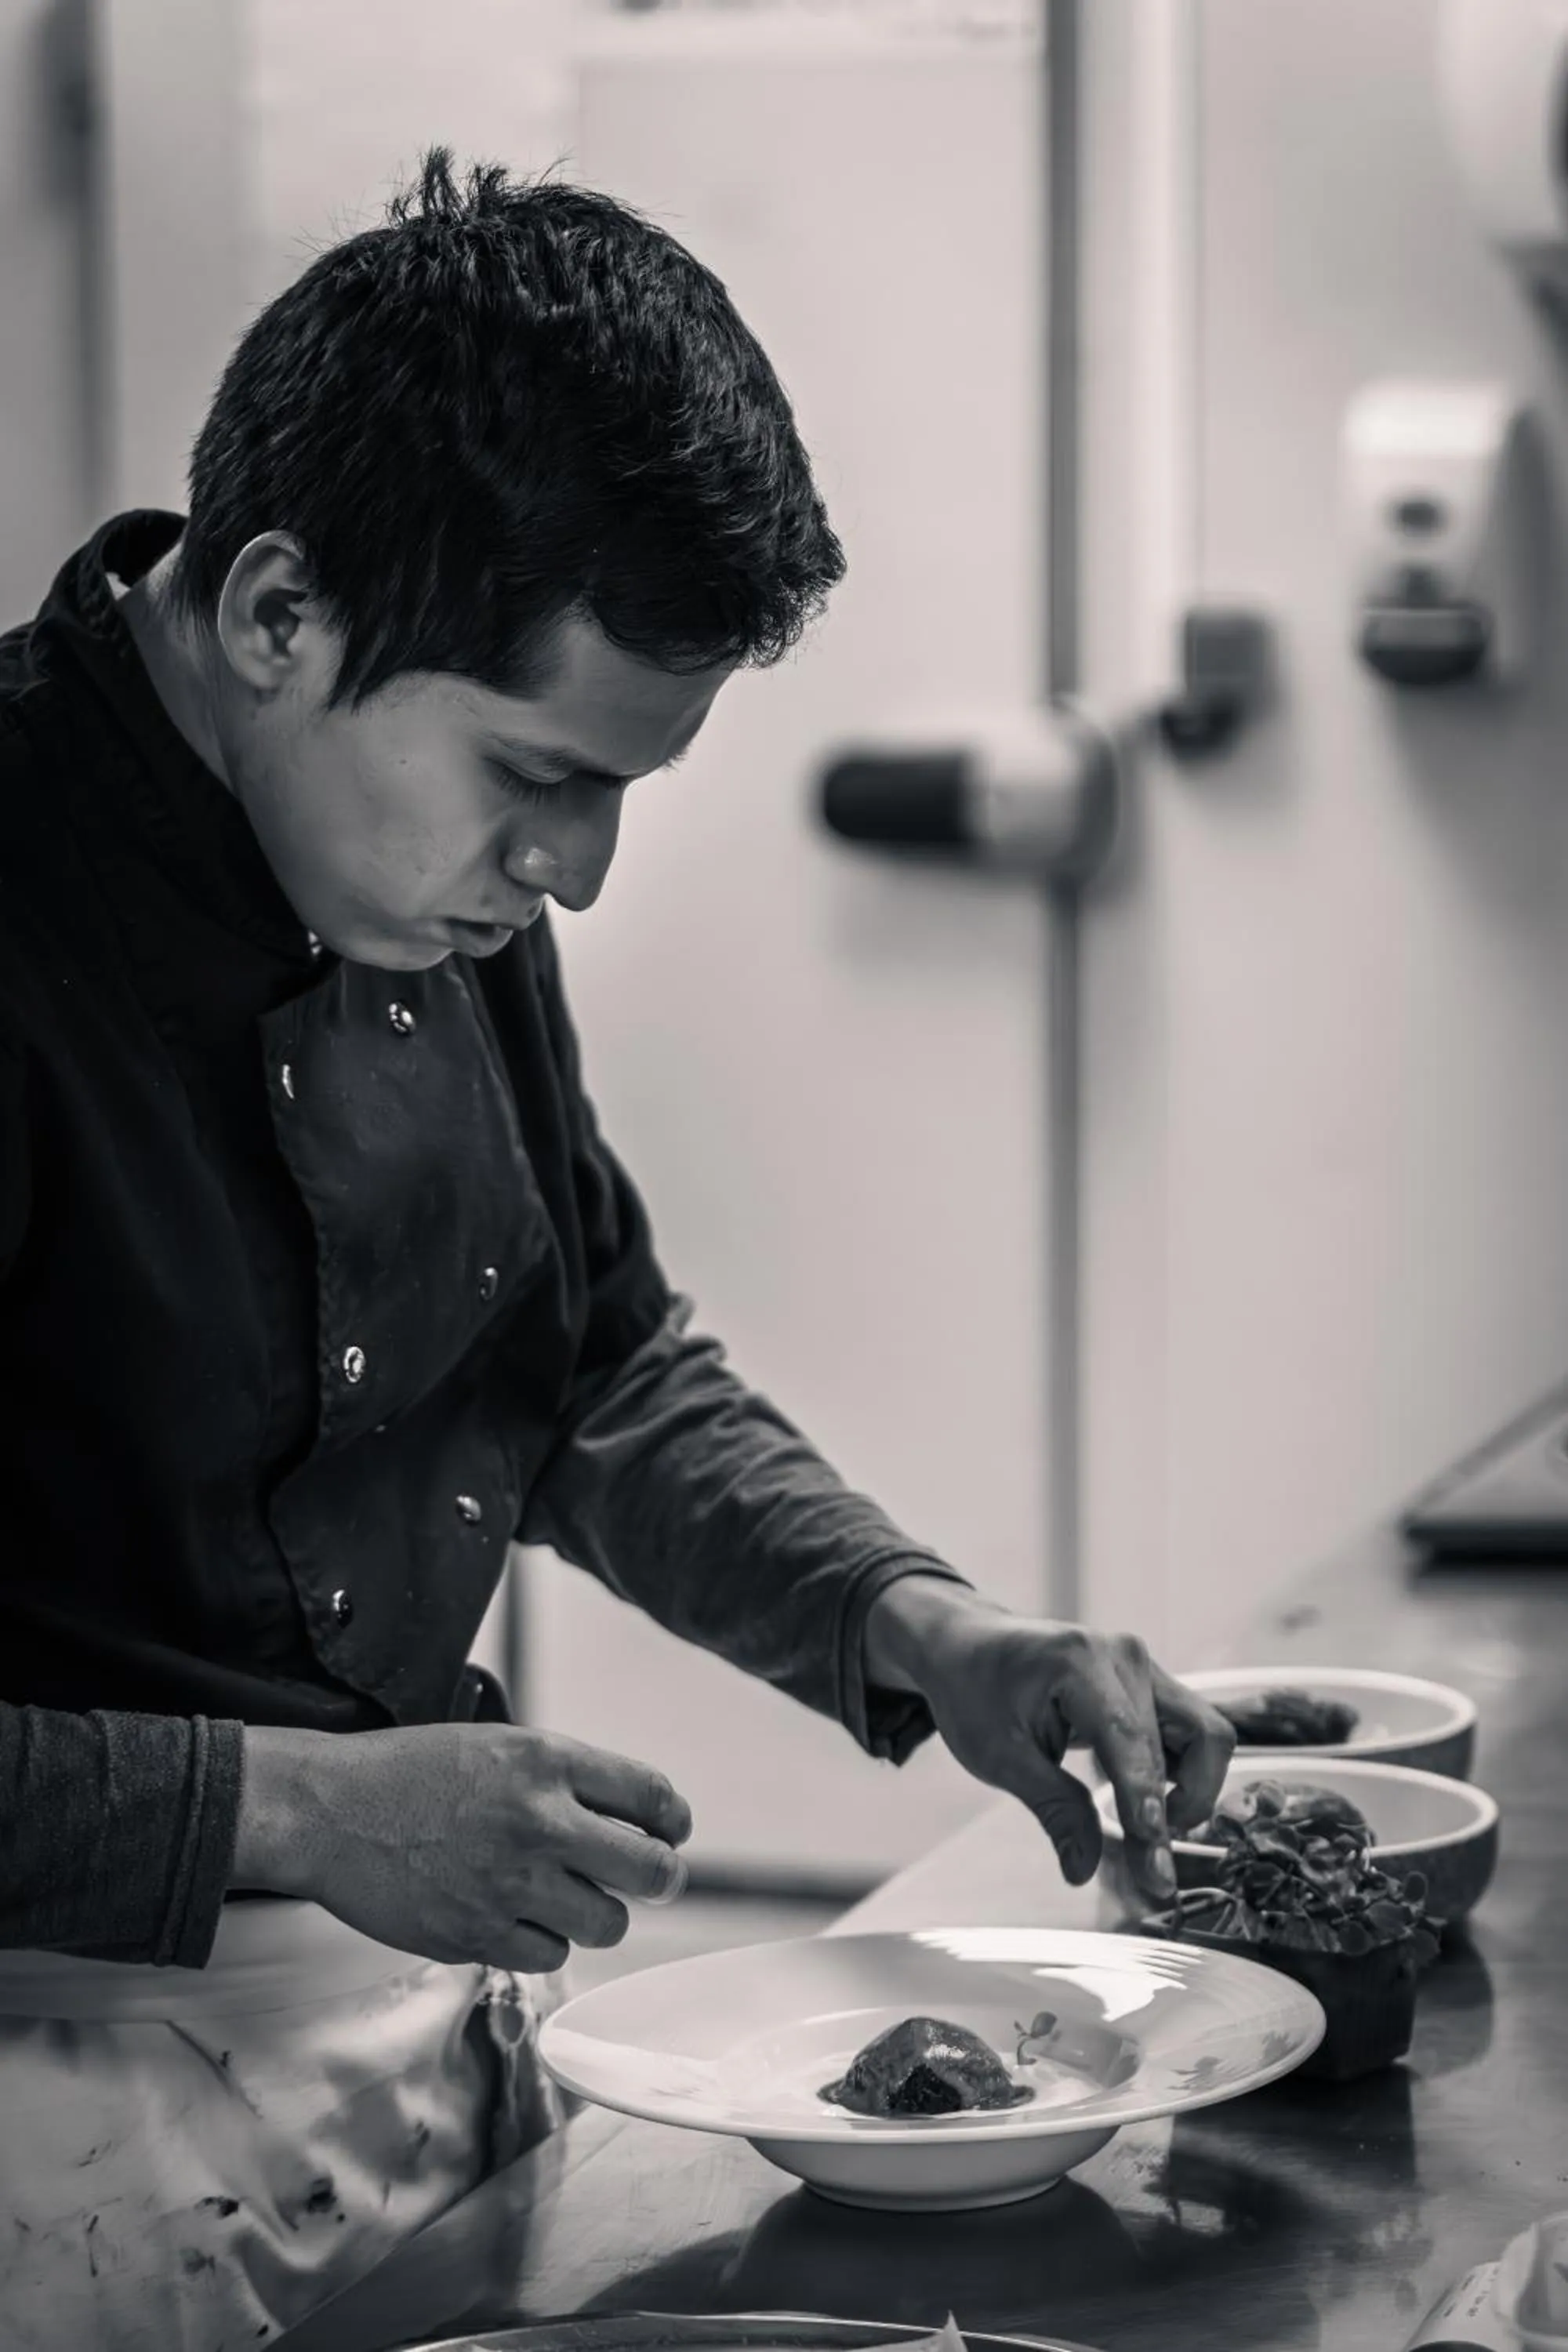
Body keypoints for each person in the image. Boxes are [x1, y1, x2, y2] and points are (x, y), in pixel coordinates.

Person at [0, 151, 1234, 2346]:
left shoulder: (402, 873)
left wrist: (914, 1625)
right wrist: (301, 1809)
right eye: (534, 775)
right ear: (279, 618)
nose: (570, 874)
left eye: (620, 792)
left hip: (414, 2057)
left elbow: (585, 1366)